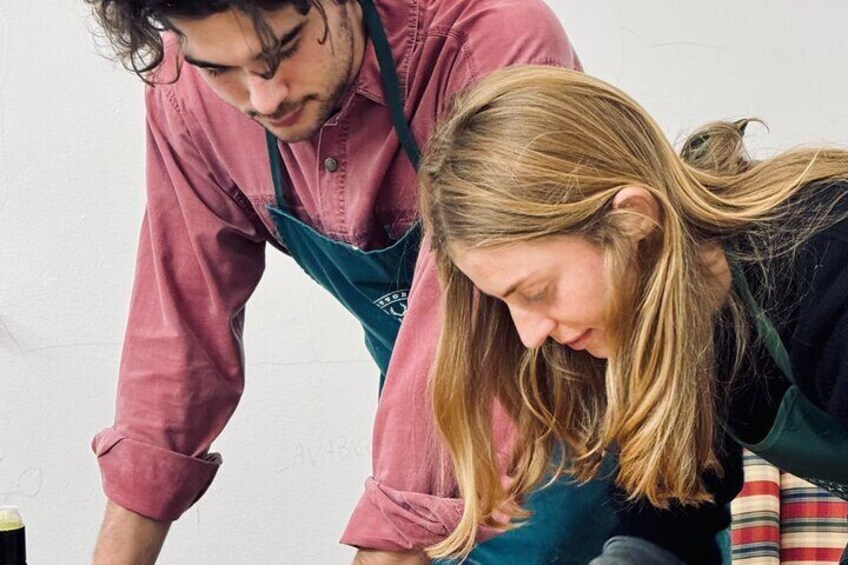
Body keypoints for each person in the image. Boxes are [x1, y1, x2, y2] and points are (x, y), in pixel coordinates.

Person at [84, 1, 740, 562]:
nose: (264, 97)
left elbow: (447, 332)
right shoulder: (182, 93)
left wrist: (394, 537)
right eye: (218, 69)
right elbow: (177, 340)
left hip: (567, 395)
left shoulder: (488, 38)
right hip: (420, 411)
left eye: (281, 49)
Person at [419, 64, 848, 562]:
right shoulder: (666, 315)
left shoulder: (826, 260)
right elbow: (673, 510)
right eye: (504, 302)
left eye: (536, 291)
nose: (530, 334)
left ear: (632, 219)